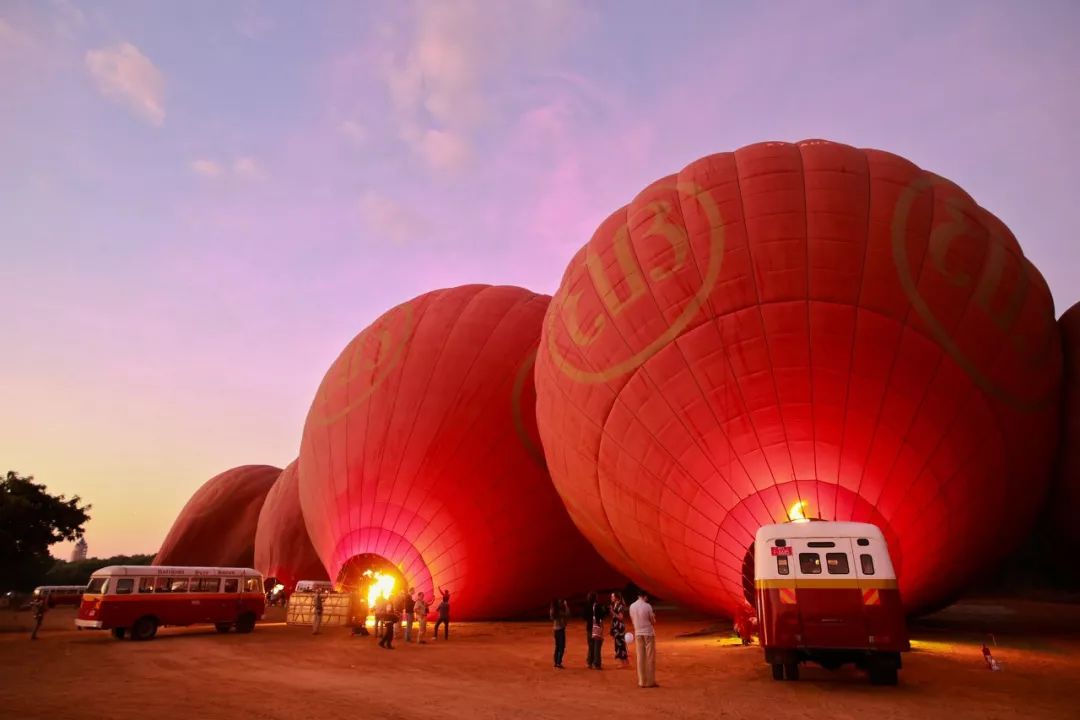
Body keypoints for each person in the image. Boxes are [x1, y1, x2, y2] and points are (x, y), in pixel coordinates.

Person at [629, 591, 658, 688]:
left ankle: (641, 681)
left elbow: (632, 620)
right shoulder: (647, 606)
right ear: (645, 596)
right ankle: (650, 681)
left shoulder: (632, 606)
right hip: (648, 633)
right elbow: (652, 621)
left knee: (640, 657)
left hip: (638, 632)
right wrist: (654, 617)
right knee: (650, 657)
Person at [587, 593, 606, 669]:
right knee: (597, 646)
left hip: (589, 627)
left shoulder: (587, 606)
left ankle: (589, 662)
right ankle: (596, 663)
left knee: (591, 646)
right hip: (596, 627)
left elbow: (584, 616)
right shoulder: (598, 606)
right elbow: (602, 615)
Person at [609, 592, 629, 666]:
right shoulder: (615, 605)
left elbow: (620, 617)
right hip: (616, 626)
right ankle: (625, 662)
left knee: (620, 644)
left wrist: (612, 612)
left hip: (619, 627)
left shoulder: (620, 605)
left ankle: (624, 663)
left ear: (617, 597)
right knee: (620, 644)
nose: (611, 598)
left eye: (612, 596)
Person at [550, 597, 569, 669]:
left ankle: (556, 662)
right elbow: (567, 614)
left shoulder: (553, 611)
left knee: (557, 646)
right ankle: (559, 662)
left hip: (555, 630)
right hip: (560, 630)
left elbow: (551, 617)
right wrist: (566, 605)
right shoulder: (560, 612)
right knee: (562, 647)